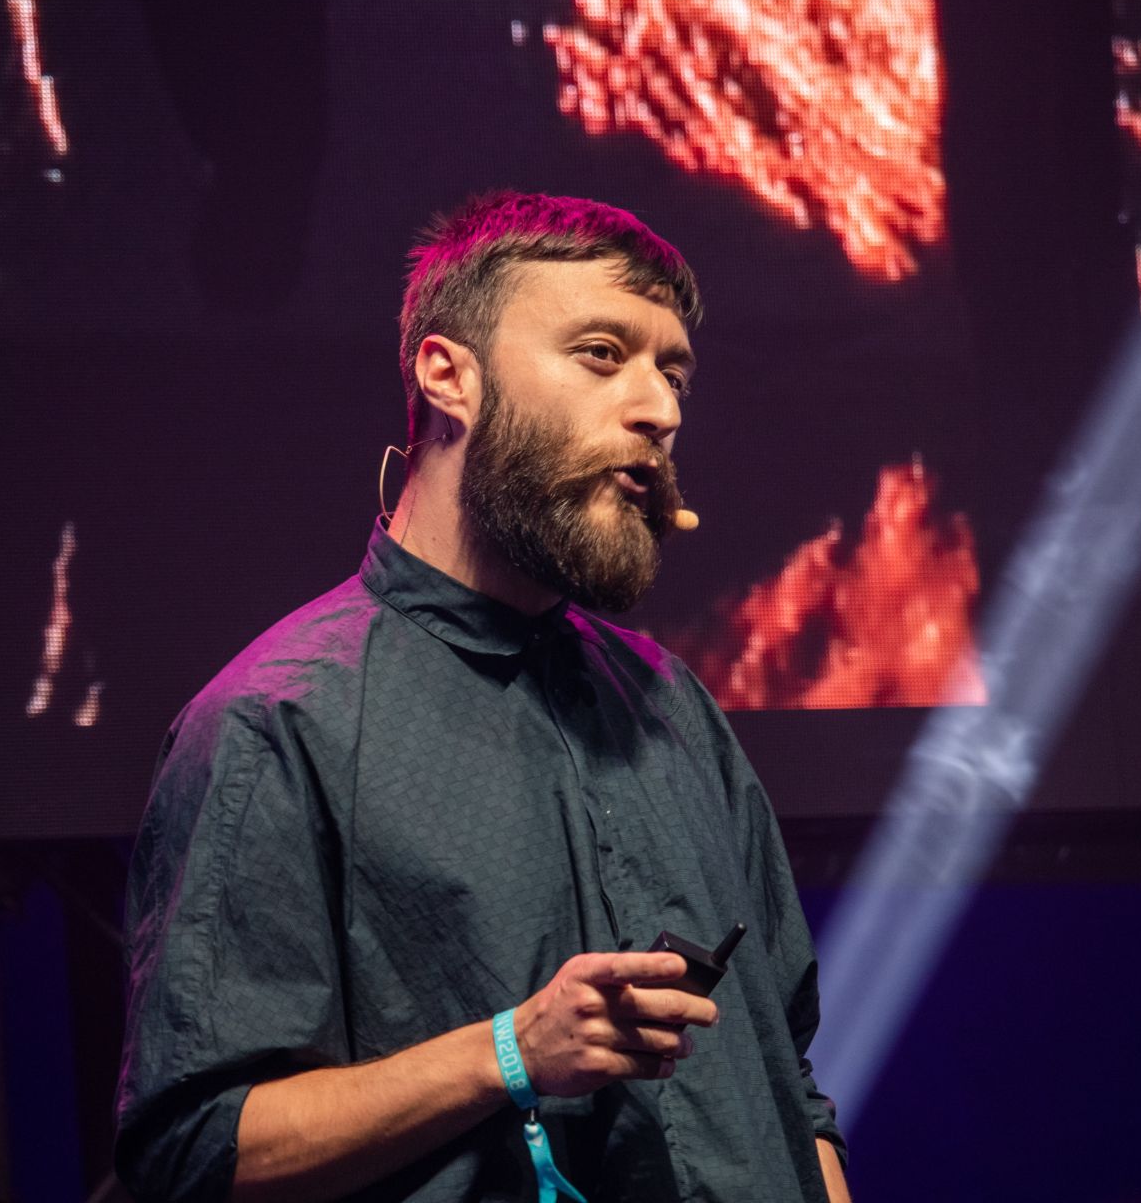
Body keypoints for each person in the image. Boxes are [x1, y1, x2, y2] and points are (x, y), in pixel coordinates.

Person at [116, 192, 851, 1202]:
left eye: (672, 371)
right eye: (602, 352)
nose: (661, 408)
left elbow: (789, 1086)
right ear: (447, 374)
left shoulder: (671, 704)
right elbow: (198, 1150)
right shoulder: (277, 720)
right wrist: (507, 1052)